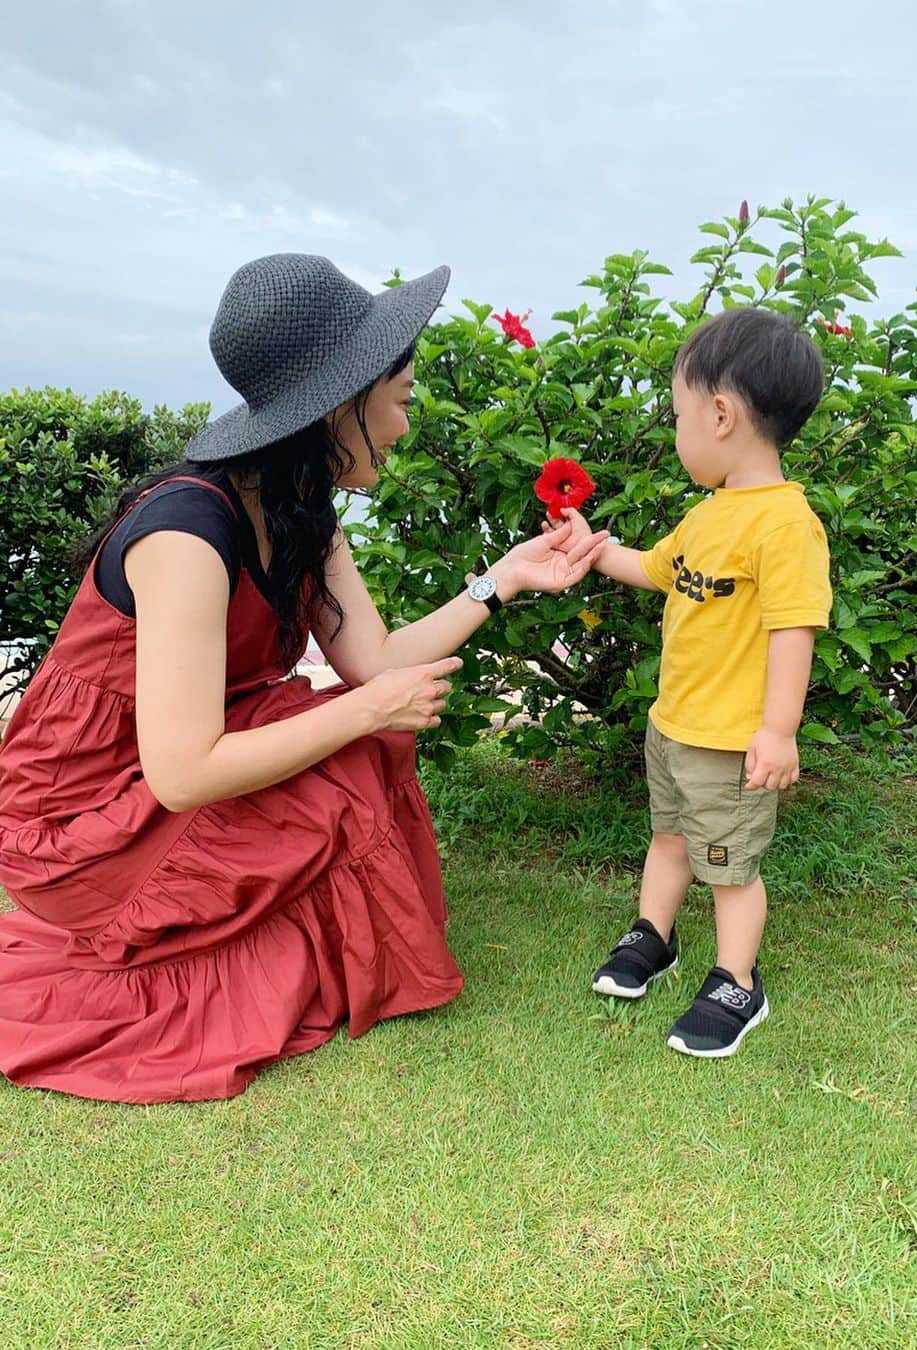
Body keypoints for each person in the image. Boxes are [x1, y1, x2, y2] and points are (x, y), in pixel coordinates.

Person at [0, 253, 608, 1103]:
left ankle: (280, 948)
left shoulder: (297, 510)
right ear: (339, 404)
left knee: (364, 730)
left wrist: (505, 575)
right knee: (356, 732)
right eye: (397, 399)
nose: (404, 424)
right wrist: (365, 711)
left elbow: (380, 664)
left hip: (167, 773)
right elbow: (182, 772)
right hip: (80, 817)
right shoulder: (185, 534)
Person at [560, 306, 831, 1057]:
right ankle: (654, 934)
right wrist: (592, 548)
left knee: (731, 867)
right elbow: (652, 569)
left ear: (720, 415)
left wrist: (777, 732)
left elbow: (794, 630)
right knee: (669, 837)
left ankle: (737, 980)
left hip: (730, 742)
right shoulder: (712, 512)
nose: (677, 432)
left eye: (678, 416)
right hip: (674, 725)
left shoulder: (785, 524)